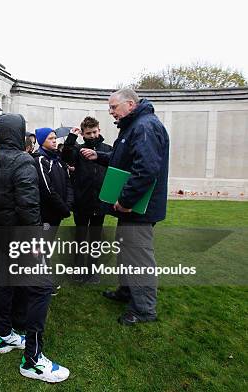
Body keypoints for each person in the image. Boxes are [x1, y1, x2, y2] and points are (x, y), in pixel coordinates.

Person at [0, 113, 70, 383]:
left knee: (7, 284)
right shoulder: (22, 160)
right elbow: (28, 205)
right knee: (41, 288)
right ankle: (32, 360)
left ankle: (4, 335)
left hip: (1, 234)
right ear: (16, 133)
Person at [81, 88, 169, 325]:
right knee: (127, 252)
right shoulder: (135, 126)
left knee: (139, 257)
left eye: (113, 107)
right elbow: (122, 159)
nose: (110, 113)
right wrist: (98, 156)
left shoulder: (145, 127)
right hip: (132, 209)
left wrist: (126, 200)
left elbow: (146, 170)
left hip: (139, 209)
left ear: (130, 104)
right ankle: (127, 291)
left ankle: (144, 310)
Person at [61, 116, 112, 283]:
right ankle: (78, 270)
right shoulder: (78, 149)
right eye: (88, 133)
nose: (92, 135)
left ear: (99, 130)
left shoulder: (108, 149)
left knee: (96, 238)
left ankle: (92, 271)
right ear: (83, 134)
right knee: (80, 237)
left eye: (95, 132)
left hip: (100, 201)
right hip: (82, 201)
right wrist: (71, 138)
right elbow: (66, 157)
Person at [34, 128, 74, 227]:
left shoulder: (57, 159)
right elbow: (47, 189)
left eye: (55, 138)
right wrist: (63, 207)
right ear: (42, 141)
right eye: (50, 138)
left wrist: (68, 205)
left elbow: (67, 182)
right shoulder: (40, 160)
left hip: (58, 211)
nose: (54, 140)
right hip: (47, 213)